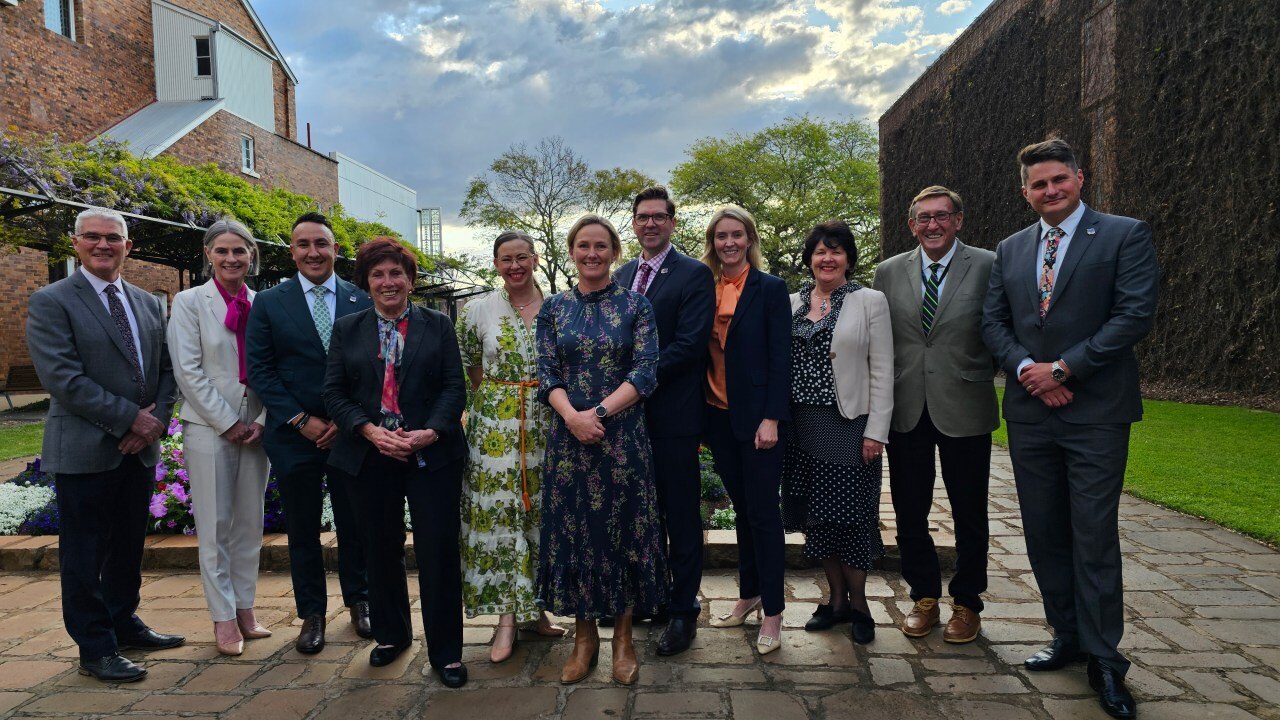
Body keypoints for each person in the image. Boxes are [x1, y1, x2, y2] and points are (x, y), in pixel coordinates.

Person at [982, 138, 1158, 720]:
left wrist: (1064, 368)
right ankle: (1067, 635)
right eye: (1039, 184)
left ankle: (1107, 660)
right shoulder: (1010, 249)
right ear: (1024, 190)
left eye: (1059, 179)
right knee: (1044, 532)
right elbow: (994, 322)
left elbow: (1134, 313)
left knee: (1093, 535)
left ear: (1079, 178)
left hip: (1095, 414)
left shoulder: (1122, 234)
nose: (1050, 190)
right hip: (1032, 415)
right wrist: (1028, 372)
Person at [26, 207, 182, 682]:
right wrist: (129, 420)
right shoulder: (52, 300)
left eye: (112, 238)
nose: (102, 245)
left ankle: (122, 620)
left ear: (127, 246)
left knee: (128, 546)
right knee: (85, 552)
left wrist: (154, 422)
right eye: (91, 237)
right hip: (86, 448)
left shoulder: (148, 301)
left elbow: (166, 371)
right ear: (75, 243)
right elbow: (63, 378)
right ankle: (95, 646)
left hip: (140, 448)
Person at [322, 237, 469, 687]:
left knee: (438, 551)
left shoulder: (438, 325)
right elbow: (334, 393)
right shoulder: (347, 328)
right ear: (366, 282)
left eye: (396, 273)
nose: (388, 282)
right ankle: (391, 635)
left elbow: (453, 387)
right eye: (378, 275)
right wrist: (369, 430)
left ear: (410, 280)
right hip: (370, 455)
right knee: (378, 547)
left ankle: (446, 652)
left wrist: (432, 430)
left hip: (431, 454)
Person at [534, 214, 665, 686]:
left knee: (623, 533)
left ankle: (623, 640)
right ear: (571, 251)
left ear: (615, 252)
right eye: (584, 246)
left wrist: (600, 416)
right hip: (568, 444)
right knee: (576, 536)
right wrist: (573, 417)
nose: (592, 254)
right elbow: (547, 374)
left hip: (622, 440)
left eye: (601, 246)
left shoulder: (636, 306)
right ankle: (583, 638)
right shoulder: (553, 308)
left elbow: (646, 372)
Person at [873, 186, 997, 644]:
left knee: (970, 512)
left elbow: (1001, 328)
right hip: (907, 409)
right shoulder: (888, 272)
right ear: (911, 225)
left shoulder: (987, 265)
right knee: (909, 510)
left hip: (964, 404)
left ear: (958, 220)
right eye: (923, 218)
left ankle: (967, 602)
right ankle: (923, 597)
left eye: (942, 216)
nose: (932, 225)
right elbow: (880, 339)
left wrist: (979, 371)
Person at [246, 212, 373, 654]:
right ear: (292, 251)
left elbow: (373, 370)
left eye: (321, 243)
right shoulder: (268, 302)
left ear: (336, 249)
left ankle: (360, 602)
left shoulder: (361, 298)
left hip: (350, 433)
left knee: (354, 522)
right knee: (302, 528)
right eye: (303, 244)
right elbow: (260, 370)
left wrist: (347, 419)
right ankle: (312, 614)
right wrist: (301, 420)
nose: (313, 252)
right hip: (293, 435)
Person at [612, 186, 715, 656]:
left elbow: (691, 344)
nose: (650, 224)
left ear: (673, 222)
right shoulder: (623, 274)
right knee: (640, 513)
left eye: (658, 217)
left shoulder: (694, 274)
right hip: (625, 421)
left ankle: (682, 611)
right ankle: (653, 596)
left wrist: (635, 380)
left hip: (672, 415)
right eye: (642, 217)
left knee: (680, 513)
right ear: (633, 223)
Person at [781, 220, 892, 646]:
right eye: (819, 252)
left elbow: (882, 369)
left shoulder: (869, 301)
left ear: (848, 258)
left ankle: (860, 605)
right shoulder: (791, 302)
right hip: (801, 427)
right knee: (817, 518)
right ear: (809, 259)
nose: (827, 259)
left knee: (852, 519)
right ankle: (836, 601)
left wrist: (876, 431)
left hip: (849, 426)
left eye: (836, 251)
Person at [457, 230, 564, 664]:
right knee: (501, 517)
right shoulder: (476, 309)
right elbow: (473, 367)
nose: (515, 265)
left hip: (547, 424)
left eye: (522, 257)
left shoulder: (560, 306)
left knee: (540, 516)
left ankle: (535, 610)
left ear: (535, 259)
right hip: (495, 432)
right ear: (496, 264)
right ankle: (505, 620)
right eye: (506, 259)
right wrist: (504, 404)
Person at [167, 218, 272, 656]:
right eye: (223, 250)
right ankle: (222, 617)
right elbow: (187, 371)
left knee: (250, 522)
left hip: (258, 427)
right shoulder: (189, 303)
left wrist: (262, 419)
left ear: (252, 256)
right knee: (215, 525)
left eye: (240, 251)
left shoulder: (264, 303)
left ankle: (245, 607)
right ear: (208, 254)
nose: (232, 258)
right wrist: (228, 421)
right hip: (210, 428)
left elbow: (275, 367)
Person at [700, 205, 792, 655]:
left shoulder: (770, 288)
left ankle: (772, 612)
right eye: (721, 236)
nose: (729, 243)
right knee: (741, 511)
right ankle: (748, 593)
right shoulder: (705, 287)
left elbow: (781, 358)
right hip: (717, 416)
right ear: (713, 242)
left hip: (758, 421)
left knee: (763, 515)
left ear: (750, 238)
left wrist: (772, 417)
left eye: (736, 234)